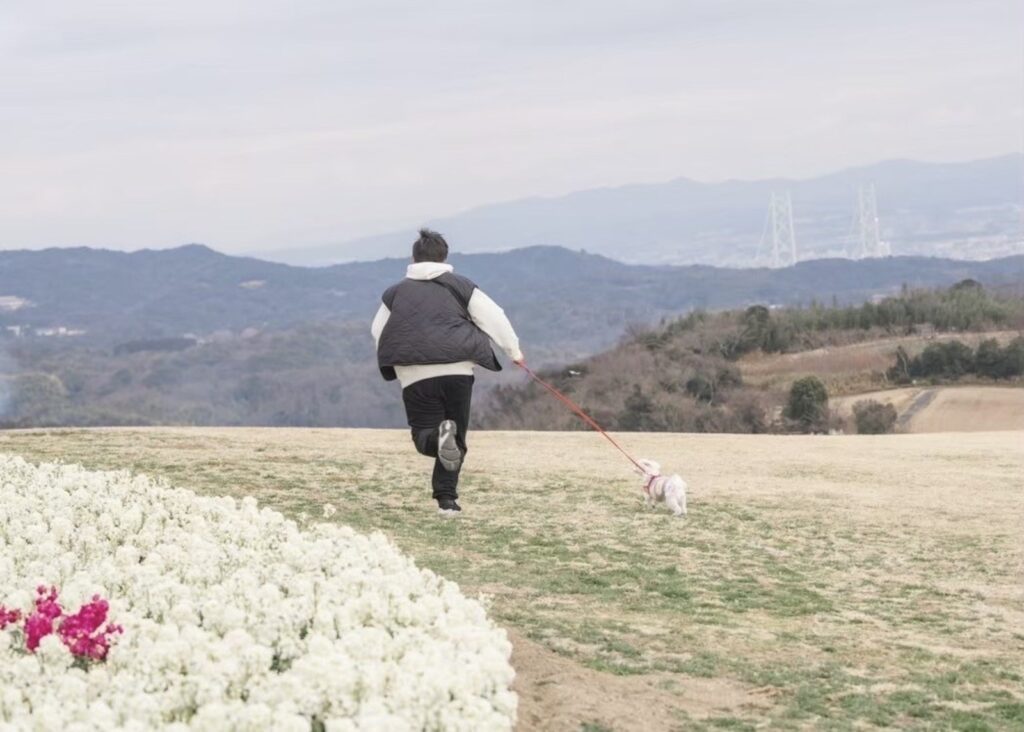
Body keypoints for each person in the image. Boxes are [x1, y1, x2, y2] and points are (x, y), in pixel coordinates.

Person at [371, 229, 524, 516]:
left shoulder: (395, 293)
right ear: (445, 257)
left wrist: (399, 358)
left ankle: (438, 440)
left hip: (415, 374)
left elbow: (378, 330)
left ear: (413, 258)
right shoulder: (461, 286)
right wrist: (513, 352)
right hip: (458, 372)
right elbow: (494, 317)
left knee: (424, 436)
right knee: (456, 439)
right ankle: (447, 501)